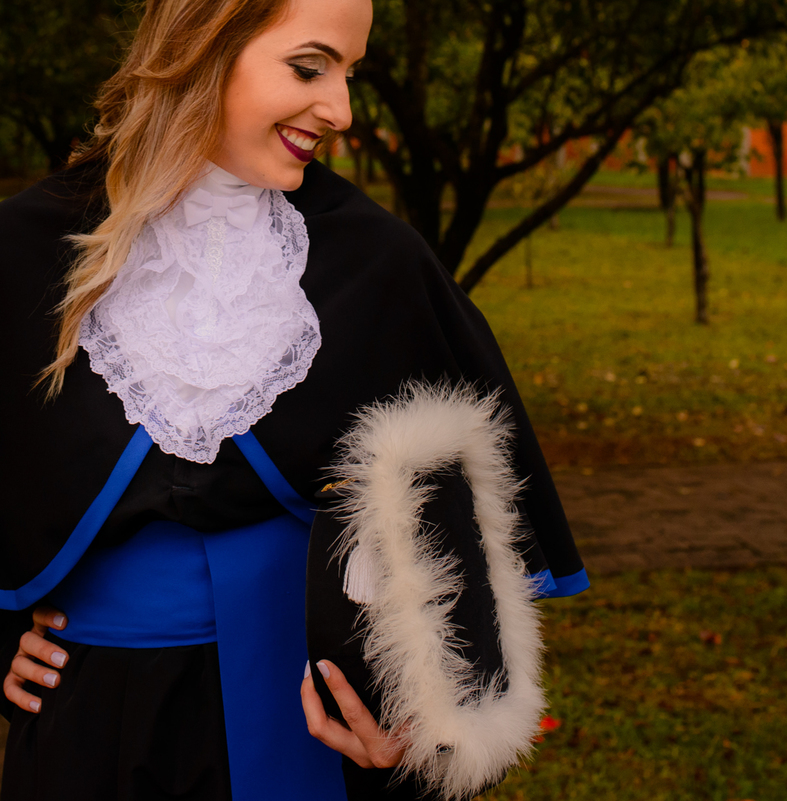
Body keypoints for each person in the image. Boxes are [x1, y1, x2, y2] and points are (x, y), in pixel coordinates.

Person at [0, 0, 587, 798]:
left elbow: (459, 532)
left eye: (350, 75)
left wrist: (430, 720)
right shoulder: (26, 246)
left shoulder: (379, 261)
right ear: (204, 45)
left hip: (308, 721)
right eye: (310, 68)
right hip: (85, 725)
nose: (341, 110)